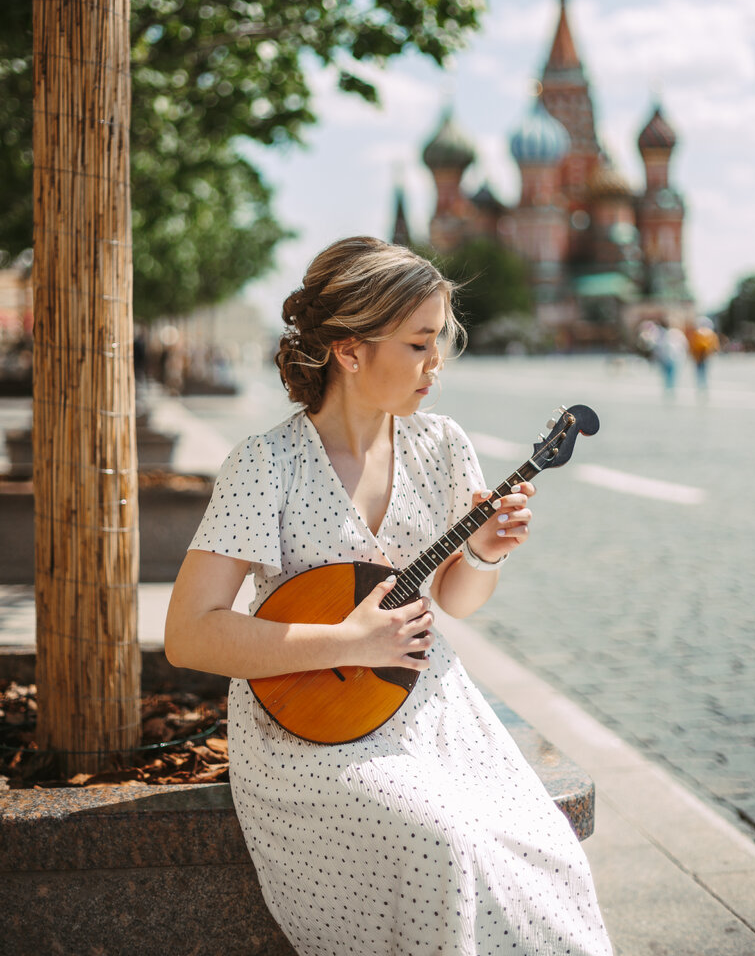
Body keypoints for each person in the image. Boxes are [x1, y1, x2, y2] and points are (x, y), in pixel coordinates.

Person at [165, 237, 612, 956]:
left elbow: (458, 603)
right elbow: (189, 634)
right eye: (418, 344)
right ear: (349, 351)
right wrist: (351, 641)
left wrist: (483, 553)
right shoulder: (266, 464)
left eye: (439, 341)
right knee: (444, 842)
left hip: (431, 705)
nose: (437, 364)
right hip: (306, 726)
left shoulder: (441, 445)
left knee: (538, 846)